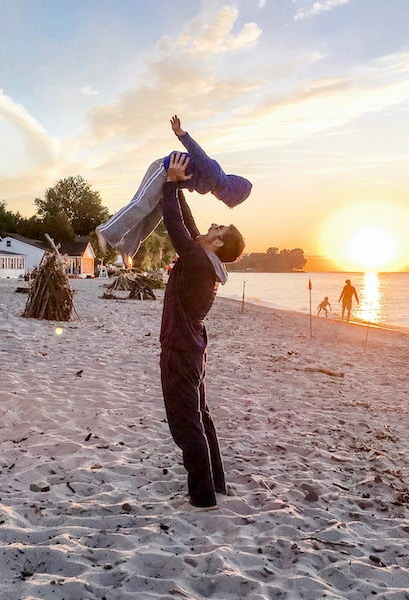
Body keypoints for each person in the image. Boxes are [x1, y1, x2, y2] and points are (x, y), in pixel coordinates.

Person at [160, 152, 245, 510]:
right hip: (193, 350)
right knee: (201, 419)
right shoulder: (205, 261)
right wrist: (178, 185)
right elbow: (189, 225)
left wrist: (168, 187)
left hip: (181, 351)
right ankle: (216, 486)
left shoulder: (197, 261)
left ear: (219, 244)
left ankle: (203, 497)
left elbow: (175, 226)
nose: (212, 227)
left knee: (186, 426)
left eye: (219, 229)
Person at [96, 115, 251, 266]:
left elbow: (193, 181)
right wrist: (181, 134)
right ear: (227, 192)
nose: (218, 198)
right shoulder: (215, 174)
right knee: (142, 204)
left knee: (154, 216)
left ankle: (127, 247)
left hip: (171, 181)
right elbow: (199, 154)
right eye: (223, 199)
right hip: (163, 169)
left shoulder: (211, 185)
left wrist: (184, 184)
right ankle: (106, 231)